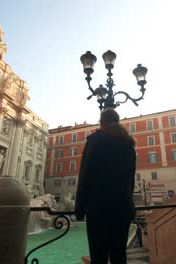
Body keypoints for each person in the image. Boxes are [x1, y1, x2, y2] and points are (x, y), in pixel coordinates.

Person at [75, 109, 136, 264]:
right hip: (123, 207)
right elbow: (131, 180)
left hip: (98, 208)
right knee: (119, 256)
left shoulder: (94, 140)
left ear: (102, 122)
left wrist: (79, 208)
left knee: (98, 257)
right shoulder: (129, 145)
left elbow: (85, 175)